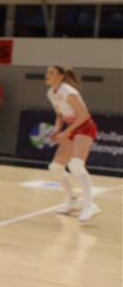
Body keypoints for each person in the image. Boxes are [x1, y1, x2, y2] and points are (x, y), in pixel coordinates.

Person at [45, 65, 99, 222]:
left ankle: (89, 204)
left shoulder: (68, 91)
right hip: (72, 128)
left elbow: (84, 115)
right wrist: (57, 130)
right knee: (55, 167)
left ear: (61, 76)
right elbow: (60, 115)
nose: (47, 74)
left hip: (85, 127)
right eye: (47, 72)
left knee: (76, 165)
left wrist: (65, 133)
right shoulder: (51, 93)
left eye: (51, 72)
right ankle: (72, 201)